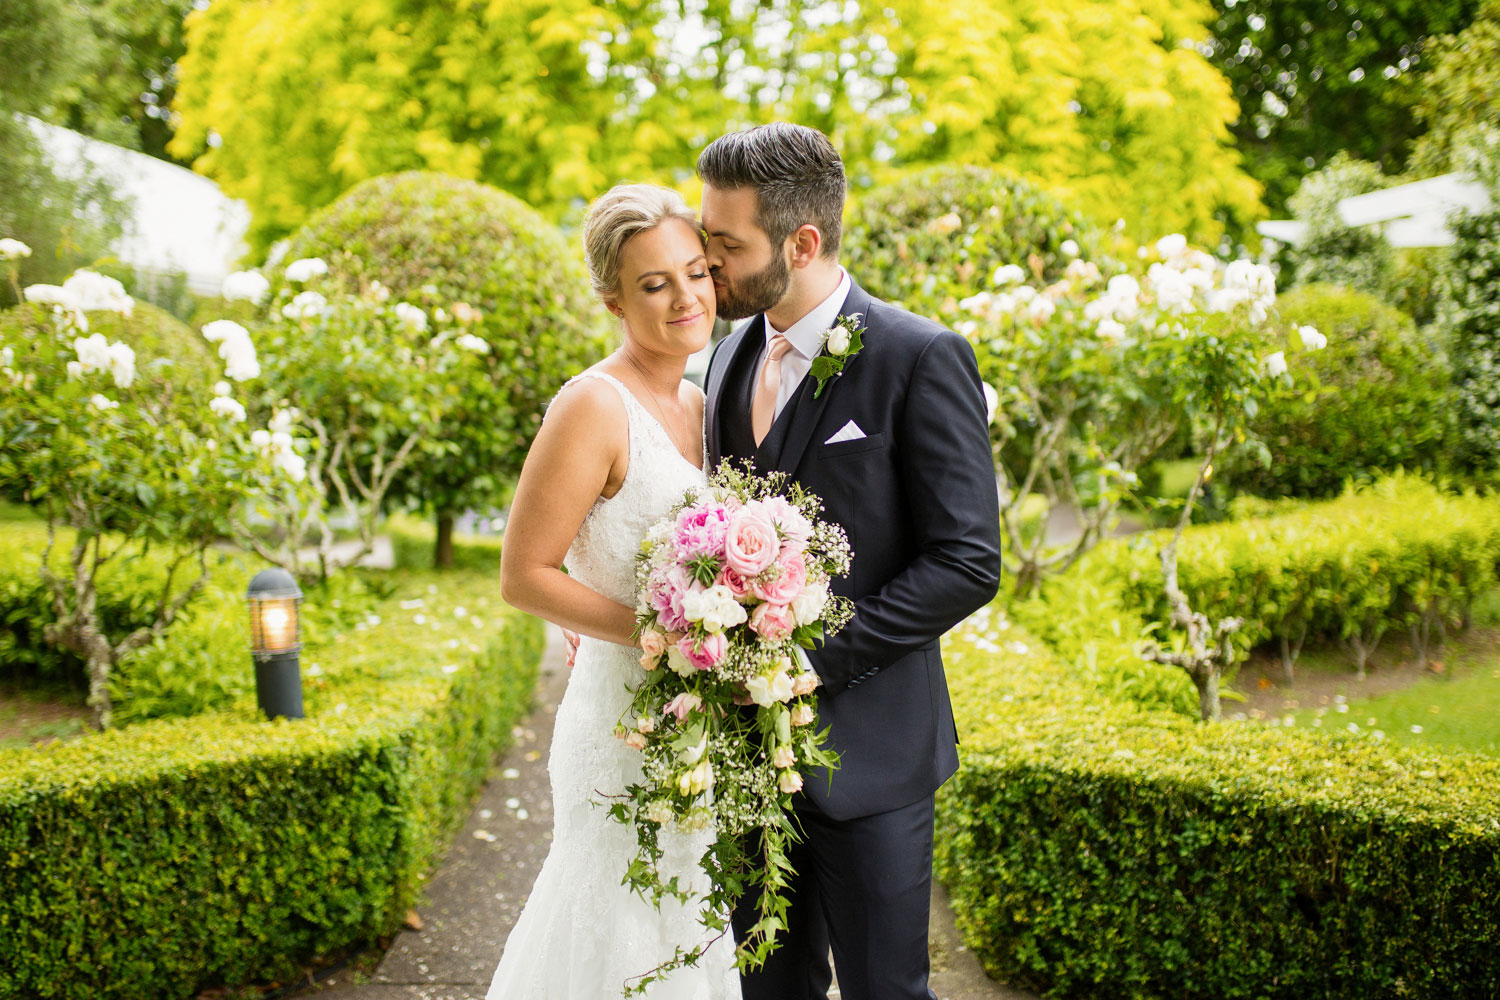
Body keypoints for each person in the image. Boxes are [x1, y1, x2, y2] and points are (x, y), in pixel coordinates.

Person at [699, 123, 1003, 1000]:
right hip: (749, 762)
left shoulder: (919, 355)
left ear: (800, 243)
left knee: (886, 992)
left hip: (872, 759)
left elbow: (968, 558)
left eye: (728, 245)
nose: (709, 263)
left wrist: (809, 661)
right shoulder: (726, 356)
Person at [490, 183, 741, 999]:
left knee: (683, 919)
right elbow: (524, 574)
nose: (684, 298)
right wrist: (657, 633)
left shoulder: (702, 404)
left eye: (695, 272)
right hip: (619, 723)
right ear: (613, 300)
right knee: (620, 922)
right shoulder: (593, 405)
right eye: (652, 284)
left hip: (692, 721)